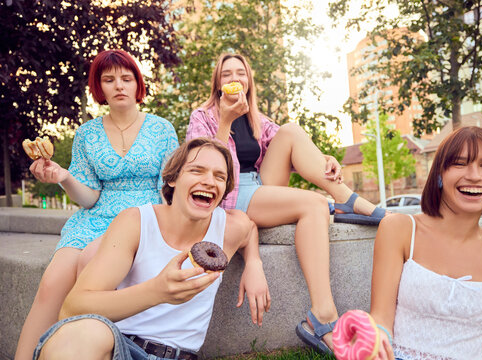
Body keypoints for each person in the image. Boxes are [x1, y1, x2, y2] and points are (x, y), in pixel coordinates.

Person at [186, 53, 386, 354]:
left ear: (248, 80)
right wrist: (225, 120)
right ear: (217, 83)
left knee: (291, 130)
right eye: (226, 74)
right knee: (315, 205)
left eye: (240, 73)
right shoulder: (202, 116)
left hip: (259, 186)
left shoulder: (255, 117)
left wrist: (324, 159)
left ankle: (345, 200)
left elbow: (294, 148)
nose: (234, 79)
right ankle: (323, 315)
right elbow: (201, 165)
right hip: (228, 196)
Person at [33, 137, 270, 360]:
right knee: (82, 334)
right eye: (196, 170)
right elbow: (73, 309)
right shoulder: (136, 222)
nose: (209, 181)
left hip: (181, 354)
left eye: (219, 176)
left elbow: (249, 229)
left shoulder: (229, 227)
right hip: (123, 348)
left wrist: (254, 264)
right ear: (173, 179)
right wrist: (157, 291)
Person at [16, 49, 180, 359]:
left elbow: (169, 189)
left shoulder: (162, 129)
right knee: (52, 283)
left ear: (137, 85)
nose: (119, 85)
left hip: (140, 219)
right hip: (93, 218)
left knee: (88, 265)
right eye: (109, 79)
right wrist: (63, 175)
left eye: (126, 78)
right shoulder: (86, 133)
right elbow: (88, 196)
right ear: (99, 87)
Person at [367, 126, 482, 359]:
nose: (474, 175)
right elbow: (381, 320)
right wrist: (374, 340)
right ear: (439, 174)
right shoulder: (399, 229)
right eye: (459, 163)